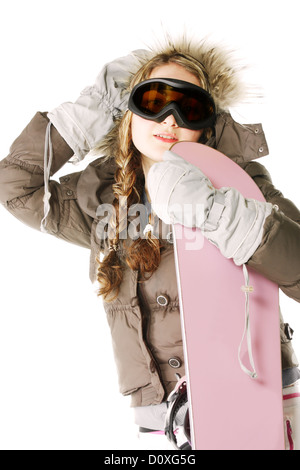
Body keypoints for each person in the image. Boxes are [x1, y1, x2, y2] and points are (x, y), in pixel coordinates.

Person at [0, 36, 299, 450]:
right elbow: (16, 187)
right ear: (126, 111)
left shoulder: (240, 182)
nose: (170, 119)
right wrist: (88, 113)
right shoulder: (100, 198)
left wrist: (224, 213)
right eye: (154, 100)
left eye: (189, 107)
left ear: (207, 122)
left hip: (256, 393)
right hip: (161, 417)